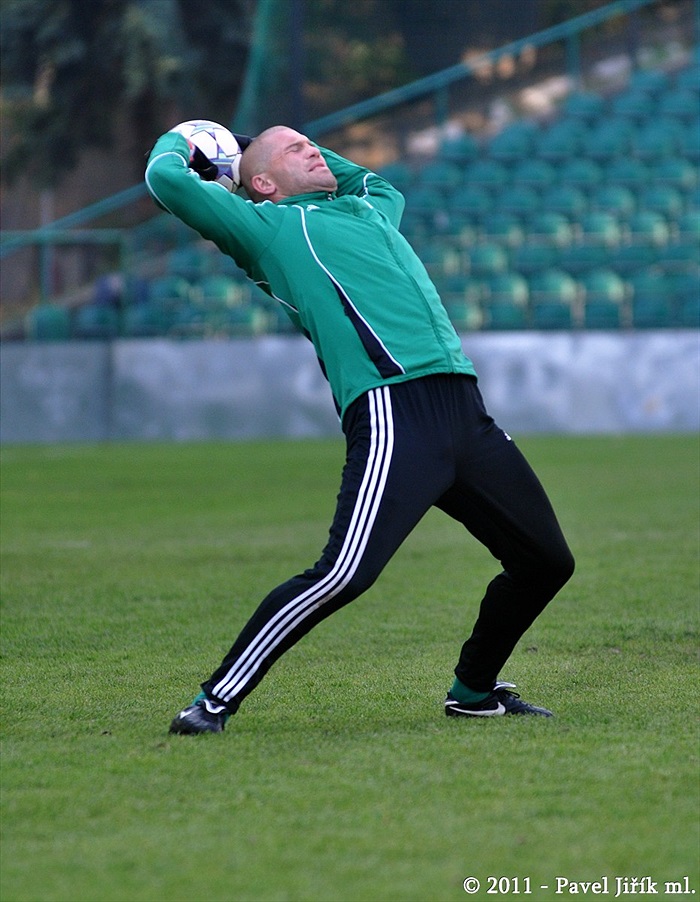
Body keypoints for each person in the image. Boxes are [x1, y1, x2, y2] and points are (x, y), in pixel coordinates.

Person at [144, 126, 575, 734]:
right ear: (261, 183)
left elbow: (367, 178)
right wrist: (187, 137)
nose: (313, 150)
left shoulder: (372, 208)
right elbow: (165, 177)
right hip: (393, 414)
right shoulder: (267, 230)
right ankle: (214, 701)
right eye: (294, 150)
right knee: (344, 574)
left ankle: (473, 692)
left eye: (311, 142)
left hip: (465, 412)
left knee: (545, 561)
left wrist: (265, 143)